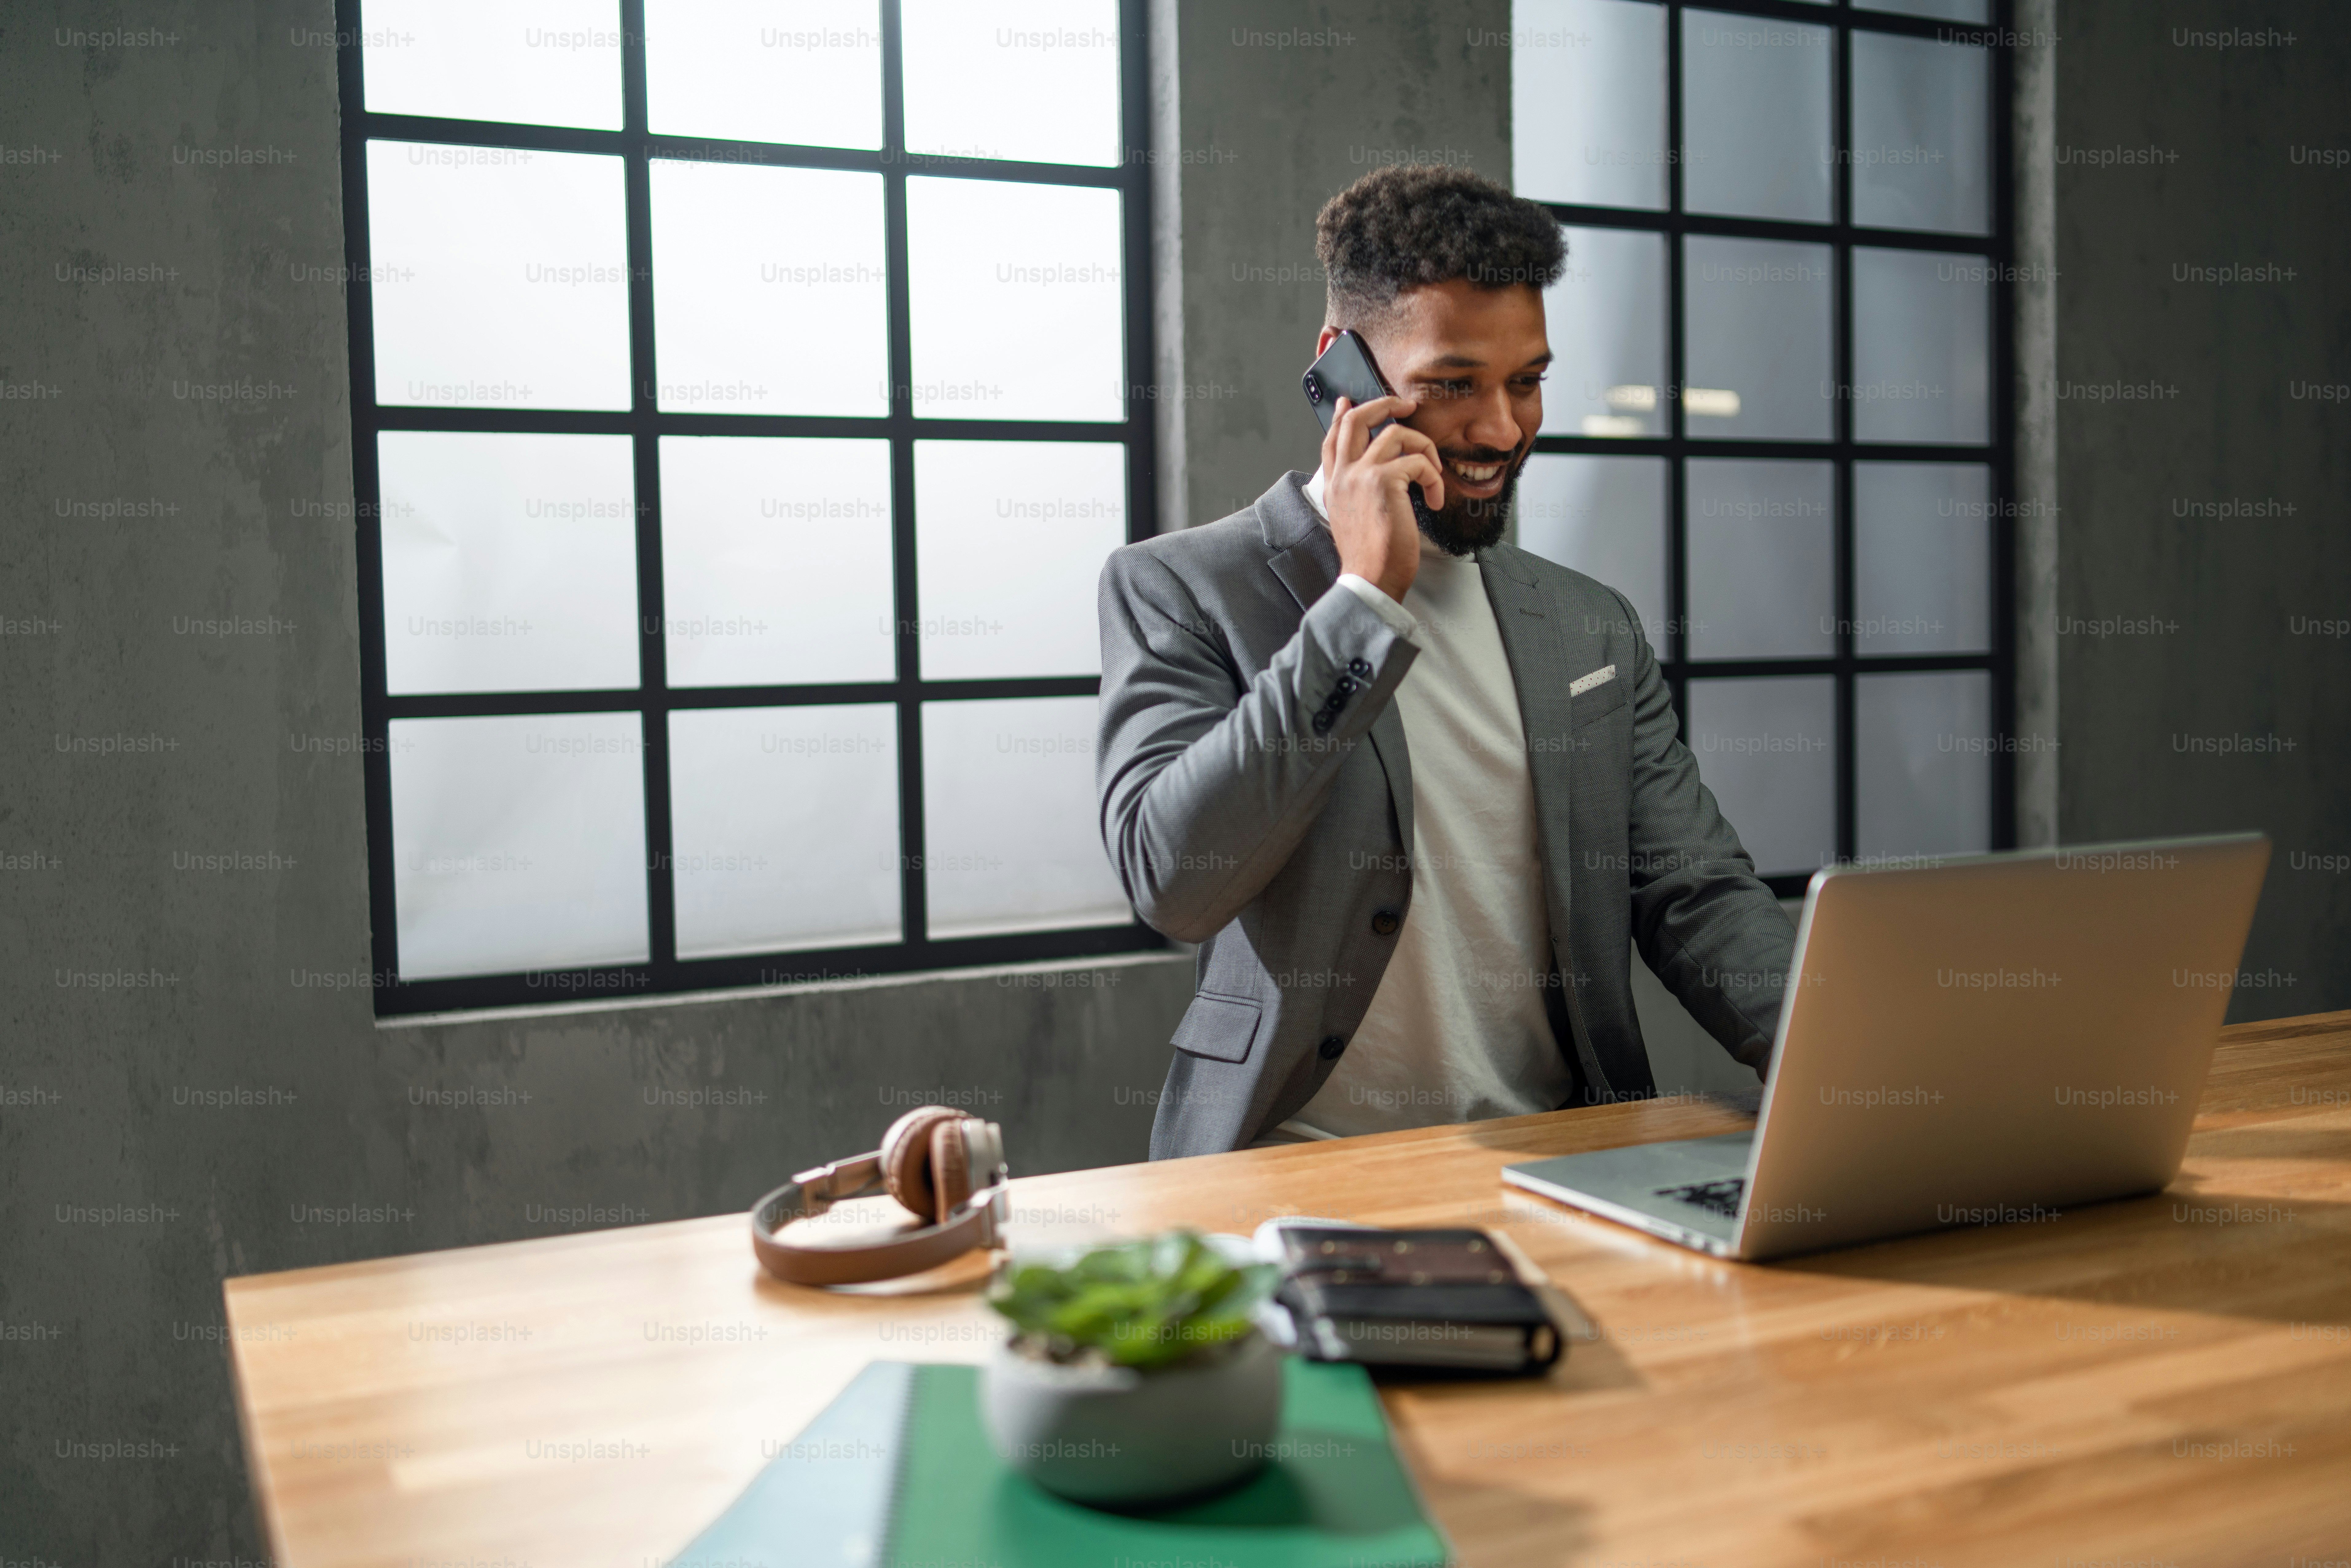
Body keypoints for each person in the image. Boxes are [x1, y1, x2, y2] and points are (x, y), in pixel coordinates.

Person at [1096, 164, 1795, 1159]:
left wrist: (1848, 1075)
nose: (1502, 429)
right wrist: (1361, 602)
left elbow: (1695, 893)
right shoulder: (1181, 587)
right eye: (1453, 386)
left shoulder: (1590, 627)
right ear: (1346, 371)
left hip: (1564, 1159)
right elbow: (1175, 882)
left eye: (1528, 383)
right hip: (1290, 1164)